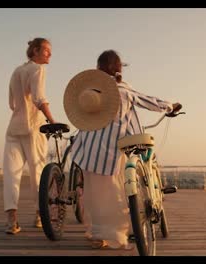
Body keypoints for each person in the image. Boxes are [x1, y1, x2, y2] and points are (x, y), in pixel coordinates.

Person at [64, 49, 182, 249]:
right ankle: (117, 232)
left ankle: (97, 234)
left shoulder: (90, 91)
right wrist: (170, 106)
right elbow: (149, 101)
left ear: (97, 69)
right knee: (115, 192)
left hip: (87, 150)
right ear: (119, 69)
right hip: (111, 150)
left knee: (93, 194)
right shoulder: (122, 90)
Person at [3, 37, 55, 235]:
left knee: (11, 174)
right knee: (38, 173)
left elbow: (12, 103)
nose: (50, 54)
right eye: (46, 51)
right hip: (33, 128)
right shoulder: (38, 69)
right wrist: (51, 120)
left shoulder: (17, 71)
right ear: (35, 51)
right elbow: (39, 98)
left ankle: (11, 221)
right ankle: (40, 215)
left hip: (14, 128)